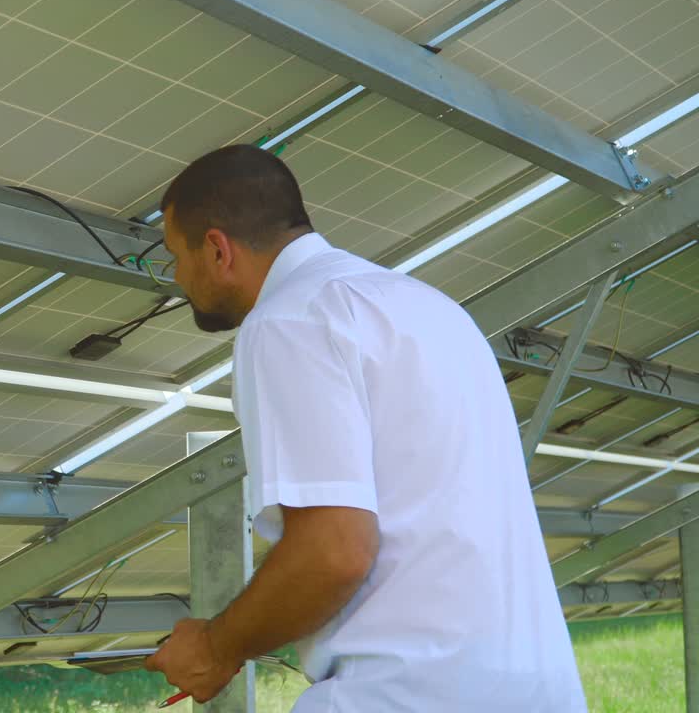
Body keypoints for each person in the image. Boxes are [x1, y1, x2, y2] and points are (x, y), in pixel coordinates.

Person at [143, 145, 585, 711]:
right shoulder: (431, 308)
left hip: (406, 694)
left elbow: (334, 550)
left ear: (216, 249)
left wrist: (213, 647)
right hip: (533, 689)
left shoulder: (289, 321)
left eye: (174, 256)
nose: (177, 278)